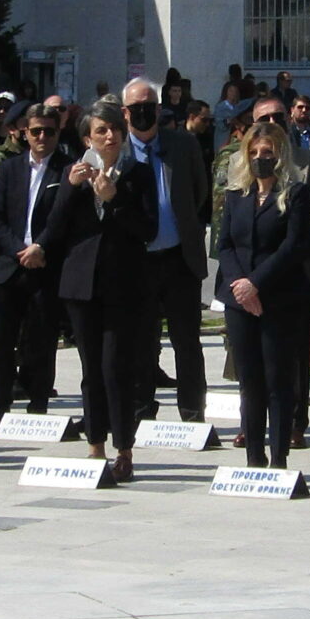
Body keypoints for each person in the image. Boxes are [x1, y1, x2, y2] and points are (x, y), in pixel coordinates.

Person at [46, 100, 158, 479]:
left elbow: (149, 229)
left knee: (116, 367)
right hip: (81, 284)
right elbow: (56, 227)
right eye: (101, 131)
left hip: (123, 283)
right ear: (87, 138)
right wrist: (71, 188)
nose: (110, 136)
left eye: (115, 130)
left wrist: (116, 199)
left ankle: (124, 447)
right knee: (90, 368)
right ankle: (94, 444)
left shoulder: (138, 173)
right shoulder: (71, 173)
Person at [216, 116, 310, 470]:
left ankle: (278, 456)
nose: (262, 157)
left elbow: (293, 246)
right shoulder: (235, 195)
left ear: (280, 155)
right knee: (250, 381)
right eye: (256, 151)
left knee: (278, 379)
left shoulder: (296, 193)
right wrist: (240, 288)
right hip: (239, 300)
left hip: (280, 297)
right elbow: (225, 244)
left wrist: (256, 283)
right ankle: (253, 456)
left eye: (269, 152)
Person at [120, 75, 212, 425]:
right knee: (141, 340)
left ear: (158, 109)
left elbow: (199, 191)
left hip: (179, 257)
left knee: (187, 340)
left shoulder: (183, 144)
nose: (142, 113)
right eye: (135, 108)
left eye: (148, 106)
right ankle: (142, 409)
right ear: (125, 113)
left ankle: (192, 411)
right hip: (137, 262)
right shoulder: (118, 150)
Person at [0, 102, 71, 423]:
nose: (42, 137)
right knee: (1, 342)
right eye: (36, 131)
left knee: (42, 342)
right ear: (25, 133)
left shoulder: (67, 169)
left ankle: (38, 406)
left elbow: (65, 218)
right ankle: (0, 407)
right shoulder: (9, 168)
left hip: (45, 268)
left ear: (57, 132)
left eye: (49, 131)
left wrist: (40, 248)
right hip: (9, 267)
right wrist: (19, 249)